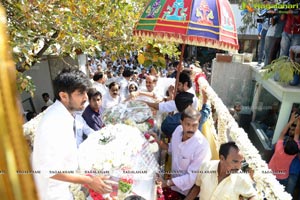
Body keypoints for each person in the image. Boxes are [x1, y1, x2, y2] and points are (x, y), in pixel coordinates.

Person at [32, 68, 112, 200]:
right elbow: (49, 170)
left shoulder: (65, 114)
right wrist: (89, 181)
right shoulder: (53, 123)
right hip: (54, 193)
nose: (86, 97)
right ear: (63, 96)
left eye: (85, 92)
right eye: (80, 93)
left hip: (66, 187)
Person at [152, 107, 211, 199]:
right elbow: (171, 148)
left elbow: (192, 177)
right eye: (188, 124)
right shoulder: (178, 131)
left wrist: (167, 183)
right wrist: (158, 141)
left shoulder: (202, 146)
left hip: (189, 194)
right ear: (181, 122)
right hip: (174, 187)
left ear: (198, 123)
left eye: (194, 125)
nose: (191, 129)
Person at [185, 142, 257, 200]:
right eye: (235, 161)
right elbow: (197, 187)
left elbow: (253, 195)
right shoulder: (206, 166)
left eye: (241, 162)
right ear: (222, 158)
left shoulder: (242, 178)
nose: (239, 166)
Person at [268, 112, 300, 188]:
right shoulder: (294, 152)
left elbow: (282, 133)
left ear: (284, 146)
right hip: (283, 178)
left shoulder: (279, 150)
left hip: (270, 174)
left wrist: (291, 121)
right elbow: (297, 135)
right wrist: (299, 123)